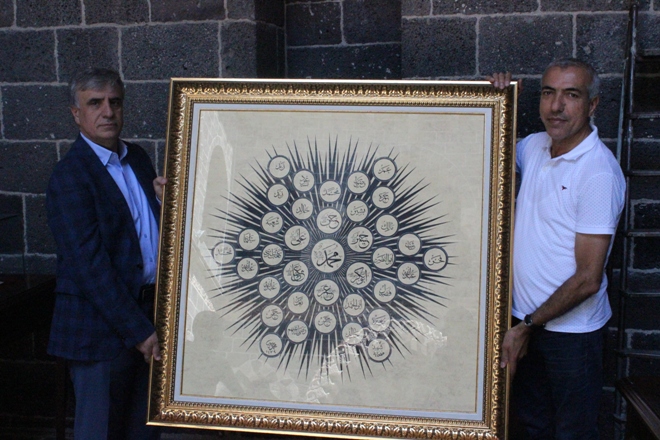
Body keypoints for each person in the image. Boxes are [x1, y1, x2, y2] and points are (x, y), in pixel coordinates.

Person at [489, 59, 625, 439]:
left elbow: (588, 279)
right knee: (531, 427)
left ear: (592, 105)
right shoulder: (534, 147)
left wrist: (527, 327)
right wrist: (494, 99)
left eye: (571, 95)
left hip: (570, 335)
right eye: (548, 93)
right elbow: (486, 143)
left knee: (572, 432)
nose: (556, 106)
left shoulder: (598, 173)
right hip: (524, 322)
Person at [46, 67, 166, 439]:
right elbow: (89, 266)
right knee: (101, 432)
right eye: (95, 103)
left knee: (144, 431)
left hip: (149, 315)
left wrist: (167, 203)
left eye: (115, 102)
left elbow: (143, 234)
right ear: (76, 113)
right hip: (99, 331)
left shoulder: (139, 159)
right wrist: (139, 332)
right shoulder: (70, 175)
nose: (108, 112)